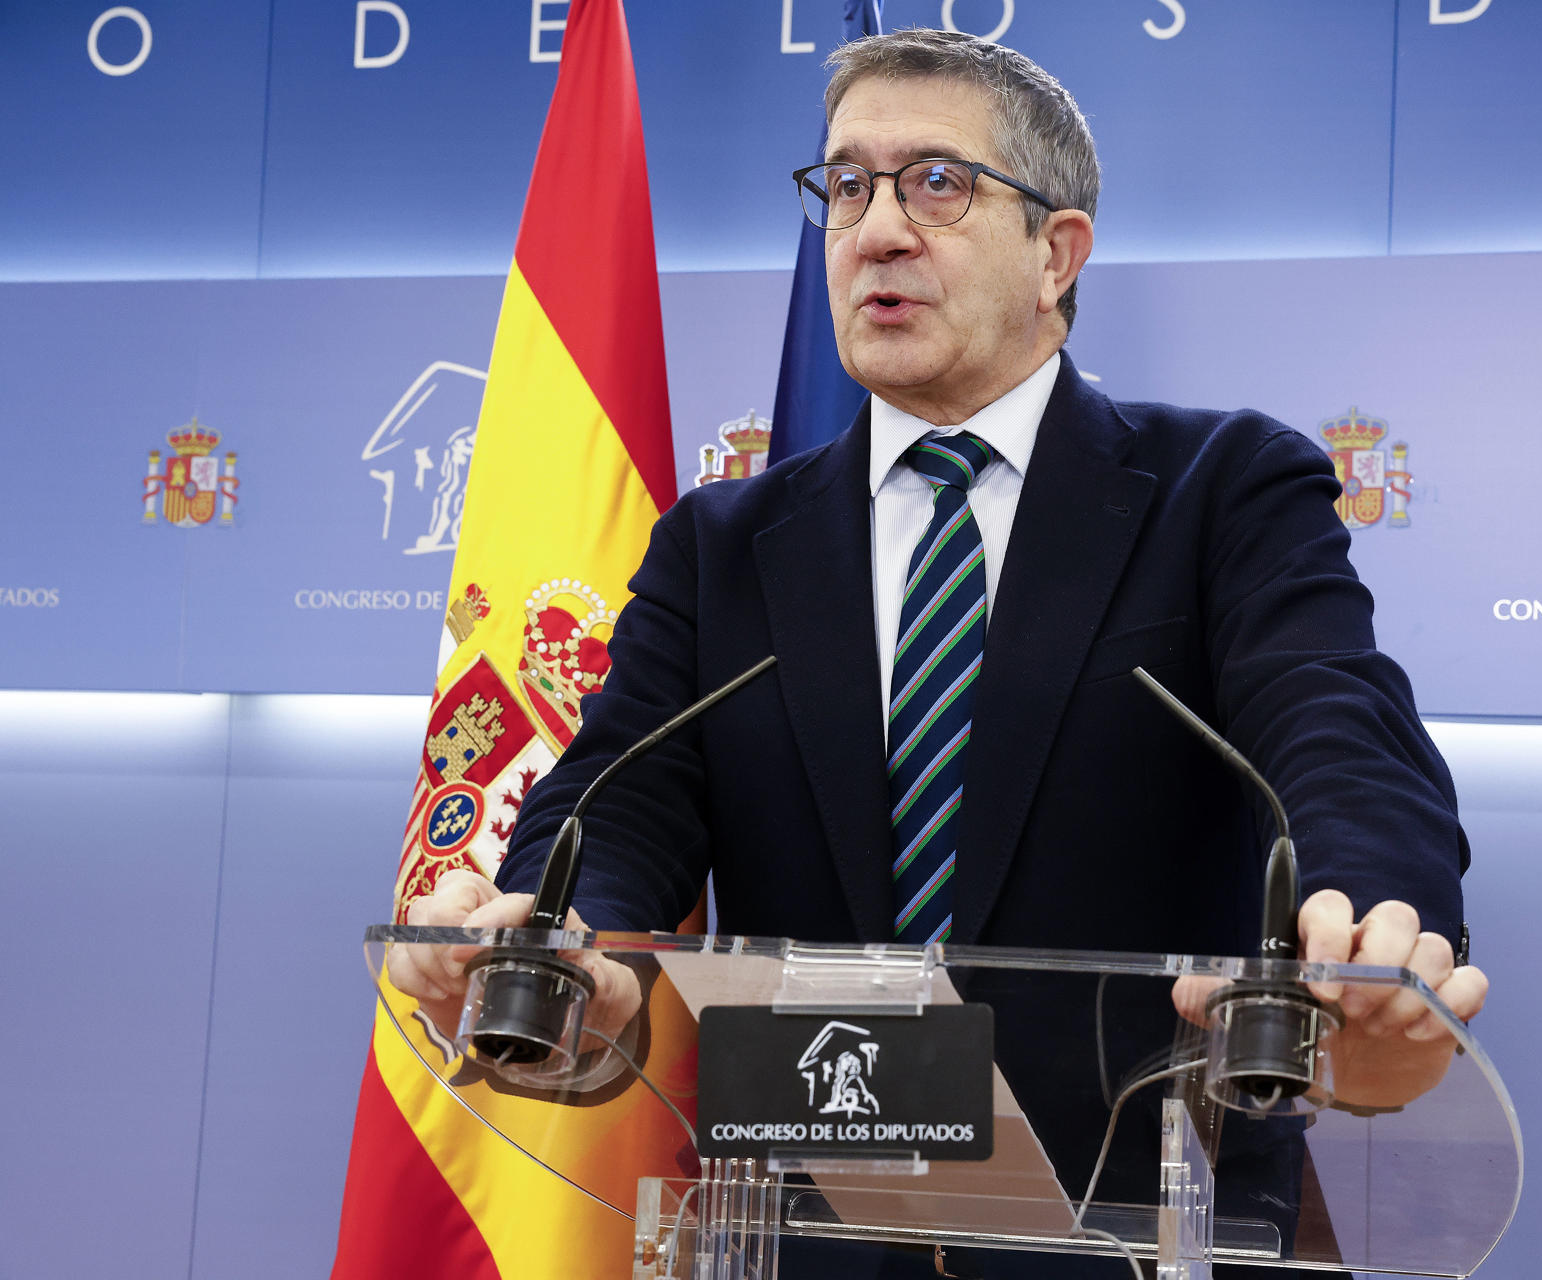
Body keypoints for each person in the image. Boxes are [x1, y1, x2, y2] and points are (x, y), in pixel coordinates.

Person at [396, 27, 1487, 1275]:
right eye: (846, 186)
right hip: (807, 1229)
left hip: (1139, 1225)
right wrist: (560, 928)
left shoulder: (1220, 488)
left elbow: (1331, 719)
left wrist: (1376, 918)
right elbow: (622, 793)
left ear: (1056, 254)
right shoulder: (723, 543)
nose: (875, 229)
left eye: (936, 183)